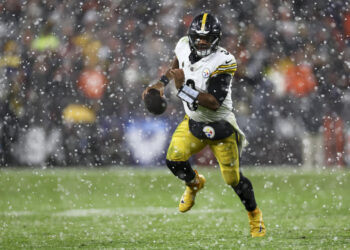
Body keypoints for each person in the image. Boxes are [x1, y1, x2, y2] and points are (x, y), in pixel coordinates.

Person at [142, 13, 266, 237]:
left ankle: (254, 214)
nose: (201, 42)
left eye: (206, 38)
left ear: (216, 39)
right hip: (193, 123)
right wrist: (161, 83)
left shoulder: (224, 60)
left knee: (233, 180)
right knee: (174, 159)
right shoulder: (182, 45)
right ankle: (194, 183)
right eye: (197, 38)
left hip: (221, 127)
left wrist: (181, 89)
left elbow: (213, 102)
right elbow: (177, 62)